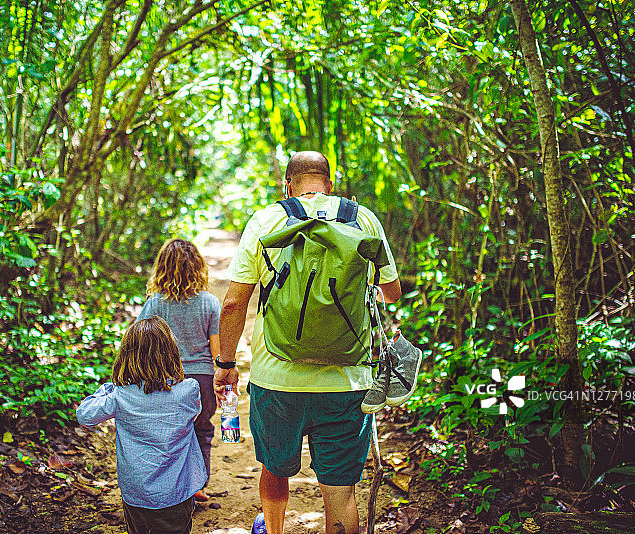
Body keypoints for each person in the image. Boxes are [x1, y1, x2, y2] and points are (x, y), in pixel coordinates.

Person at [215, 151, 402, 534]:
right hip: (347, 381)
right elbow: (392, 292)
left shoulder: (268, 218)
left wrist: (226, 364)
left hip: (277, 378)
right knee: (340, 489)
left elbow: (235, 302)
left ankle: (275, 528)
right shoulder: (363, 218)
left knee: (275, 467)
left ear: (287, 184)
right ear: (329, 184)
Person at [77, 316, 206, 534]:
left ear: (126, 356)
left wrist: (113, 387)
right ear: (171, 352)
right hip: (176, 491)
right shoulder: (188, 389)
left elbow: (84, 415)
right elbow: (194, 415)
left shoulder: (119, 396)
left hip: (136, 493)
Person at [135, 238, 221, 502]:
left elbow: (141, 342)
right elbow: (217, 351)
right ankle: (197, 486)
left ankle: (170, 488)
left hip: (165, 380)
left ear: (162, 268)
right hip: (203, 381)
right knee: (202, 430)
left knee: (170, 435)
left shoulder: (155, 304)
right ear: (197, 267)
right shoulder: (210, 303)